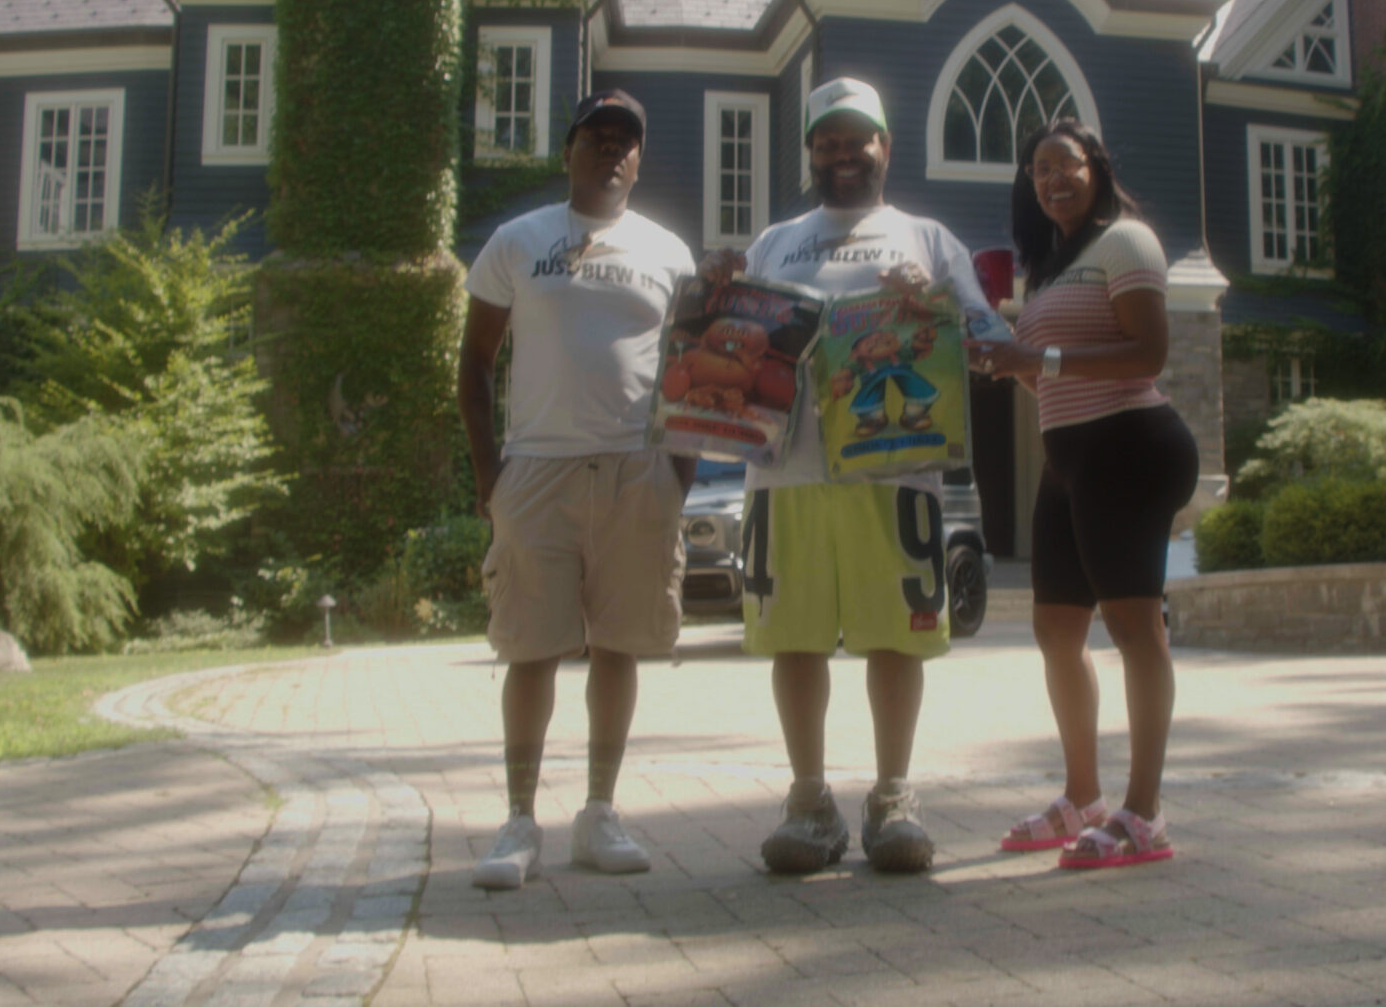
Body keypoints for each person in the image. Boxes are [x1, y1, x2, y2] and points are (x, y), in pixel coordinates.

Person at [702, 76, 1007, 875]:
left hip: (894, 472)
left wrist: (936, 306)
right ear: (810, 151)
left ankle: (892, 798)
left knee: (893, 640)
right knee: (793, 640)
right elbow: (742, 344)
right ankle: (809, 803)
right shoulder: (774, 241)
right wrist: (718, 300)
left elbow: (984, 338)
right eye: (827, 141)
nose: (843, 154)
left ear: (885, 147)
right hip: (786, 474)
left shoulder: (929, 237)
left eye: (857, 138)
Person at [457, 89, 697, 891]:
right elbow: (475, 363)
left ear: (639, 158)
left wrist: (678, 471)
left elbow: (691, 371)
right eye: (597, 138)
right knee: (531, 649)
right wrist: (492, 478)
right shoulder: (516, 242)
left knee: (619, 645)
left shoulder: (669, 252)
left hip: (636, 470)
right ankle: (519, 820)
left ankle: (599, 813)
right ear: (569, 151)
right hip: (536, 469)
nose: (612, 152)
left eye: (627, 141)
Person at [966, 118, 1198, 869]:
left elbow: (1149, 353)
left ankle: (1145, 814)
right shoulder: (1052, 266)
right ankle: (1083, 797)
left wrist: (1041, 356)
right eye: (1038, 170)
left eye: (1065, 164)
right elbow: (1053, 374)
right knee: (1057, 632)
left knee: (1136, 631)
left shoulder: (1126, 241)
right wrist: (1010, 364)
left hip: (1130, 446)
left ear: (1096, 167)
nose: (1051, 180)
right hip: (1070, 463)